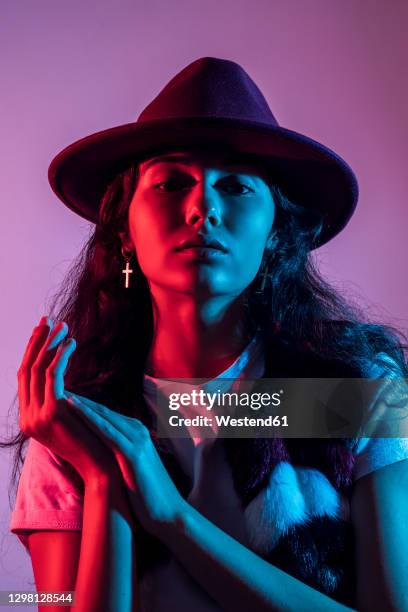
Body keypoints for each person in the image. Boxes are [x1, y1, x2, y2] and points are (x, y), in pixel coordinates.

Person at [6, 57, 408, 611]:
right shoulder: (76, 416)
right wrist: (103, 480)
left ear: (275, 232)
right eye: (171, 182)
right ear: (124, 230)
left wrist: (172, 516)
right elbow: (48, 601)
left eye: (237, 186)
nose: (203, 208)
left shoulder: (355, 388)